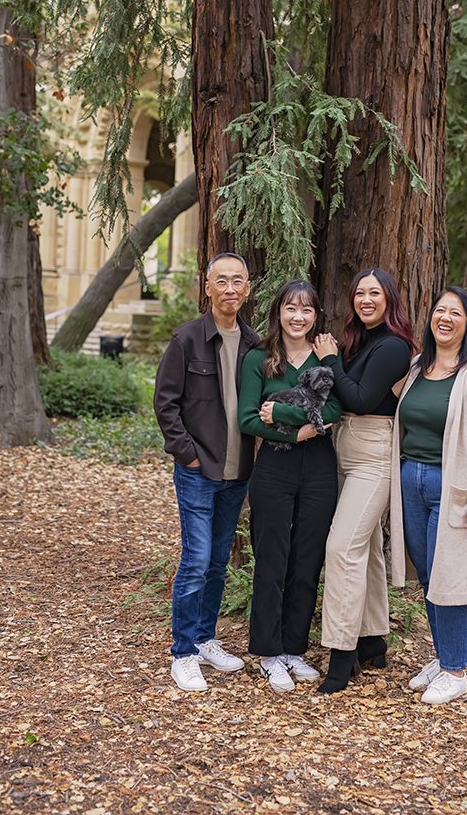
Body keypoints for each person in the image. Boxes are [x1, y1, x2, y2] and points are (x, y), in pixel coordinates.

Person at [390, 287, 467, 704]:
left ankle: (456, 670)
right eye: (440, 310)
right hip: (410, 481)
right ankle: (442, 659)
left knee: (451, 577)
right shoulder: (419, 367)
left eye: (455, 313)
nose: (445, 318)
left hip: (452, 489)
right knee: (428, 573)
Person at [154, 252, 258, 692]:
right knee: (196, 561)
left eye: (238, 281)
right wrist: (188, 454)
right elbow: (165, 403)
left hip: (239, 472)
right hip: (199, 470)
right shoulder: (188, 340)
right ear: (208, 287)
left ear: (247, 290)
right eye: (222, 280)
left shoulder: (255, 345)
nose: (230, 288)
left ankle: (204, 639)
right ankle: (182, 653)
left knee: (217, 562)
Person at [312, 268, 413, 693]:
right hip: (344, 445)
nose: (365, 299)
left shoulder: (394, 347)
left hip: (373, 453)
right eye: (359, 292)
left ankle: (341, 654)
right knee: (366, 547)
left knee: (341, 547)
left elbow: (358, 397)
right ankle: (372, 640)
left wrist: (330, 361)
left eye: (374, 293)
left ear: (389, 298)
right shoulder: (358, 341)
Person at [238, 280, 342, 692]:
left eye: (307, 310)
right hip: (274, 471)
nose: (298, 317)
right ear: (278, 312)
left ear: (316, 317)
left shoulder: (325, 358)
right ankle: (267, 653)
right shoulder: (259, 359)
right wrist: (297, 433)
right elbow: (247, 419)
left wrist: (280, 412)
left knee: (307, 559)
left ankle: (293, 649)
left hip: (318, 470)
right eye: (291, 309)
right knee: (272, 559)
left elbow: (335, 408)